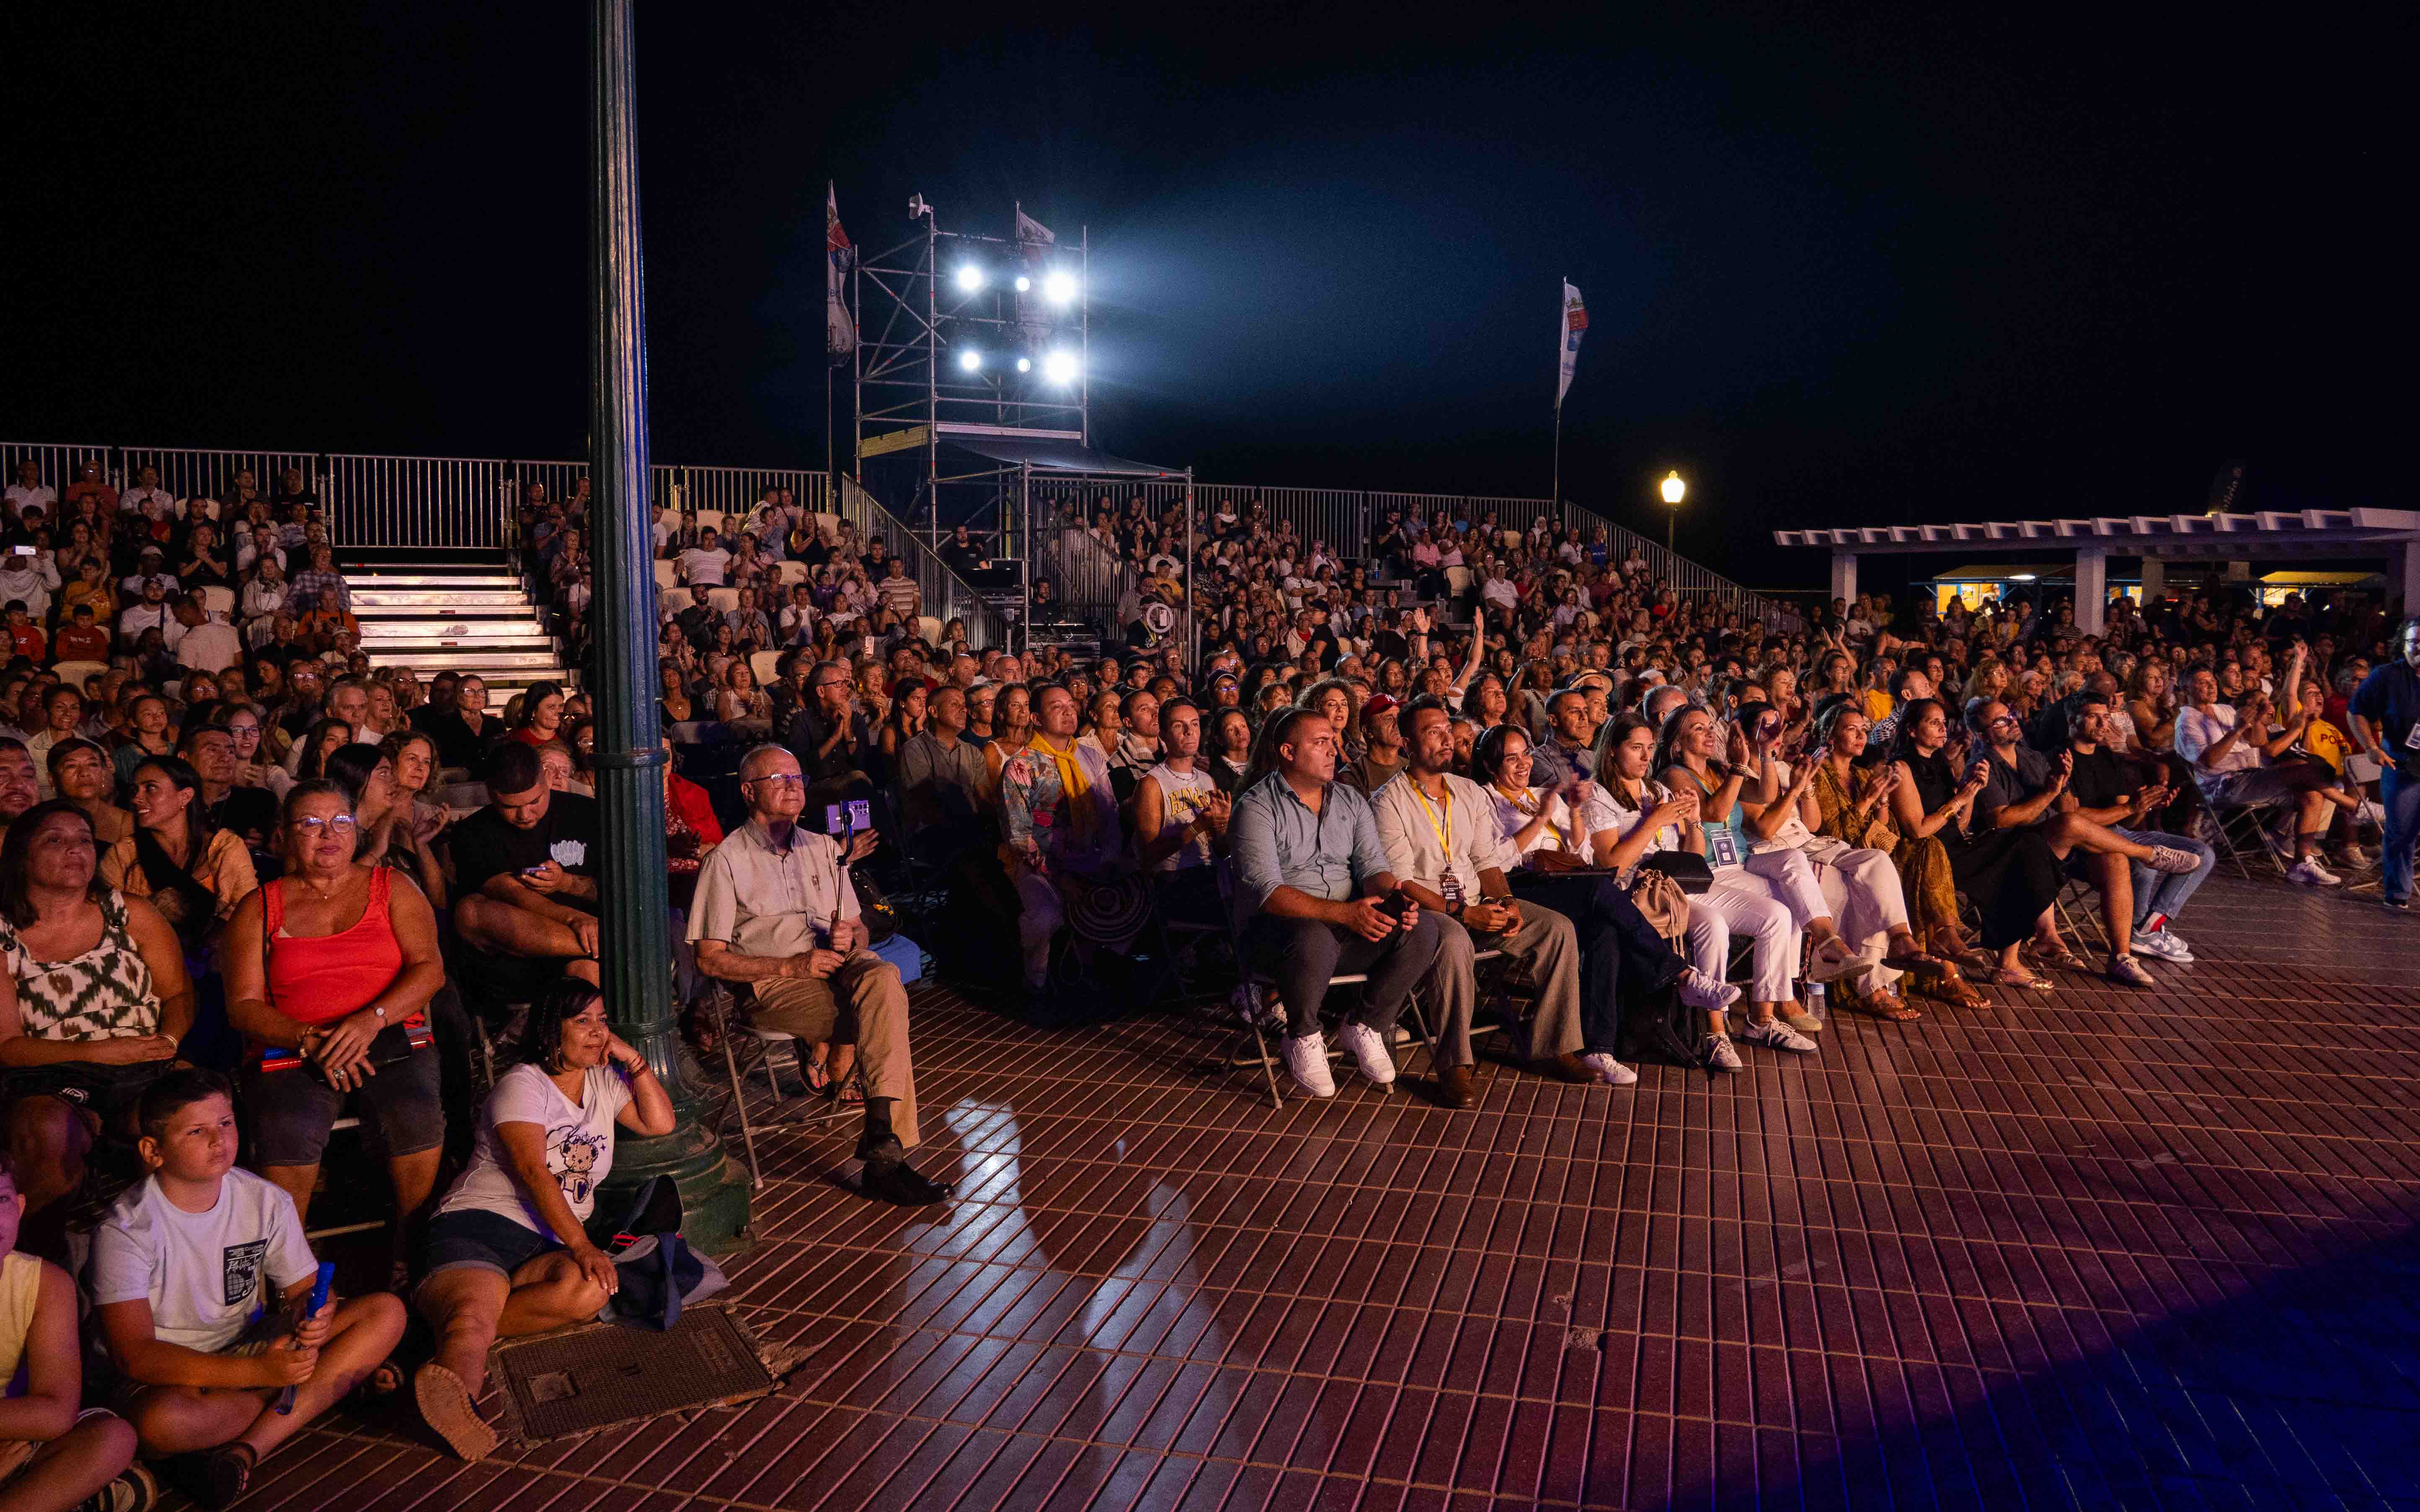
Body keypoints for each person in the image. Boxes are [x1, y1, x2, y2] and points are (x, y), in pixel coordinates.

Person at [89, 1069, 409, 1507]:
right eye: (197, 1131)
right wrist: (261, 1376)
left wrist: (313, 1315)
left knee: (385, 1312)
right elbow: (136, 1354)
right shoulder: (126, 1230)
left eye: (226, 1123)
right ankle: (313, 1391)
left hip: (244, 1346)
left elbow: (306, 1287)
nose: (219, 1140)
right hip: (172, 1373)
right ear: (153, 1151)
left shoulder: (264, 1200)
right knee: (158, 1424)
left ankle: (246, 1449)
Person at [411, 981, 676, 1462]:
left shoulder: (602, 1083)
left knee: (591, 1290)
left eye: (602, 1020)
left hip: (549, 1241)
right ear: (551, 1031)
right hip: (484, 1224)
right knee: (473, 1318)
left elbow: (660, 1124)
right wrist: (583, 1245)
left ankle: (429, 1338)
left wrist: (632, 1060)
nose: (598, 1032)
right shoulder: (523, 1084)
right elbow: (535, 1173)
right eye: (583, 1022)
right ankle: (460, 1407)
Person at [687, 745, 948, 1206]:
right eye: (778, 780)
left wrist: (853, 935)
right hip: (774, 981)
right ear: (749, 791)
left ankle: (883, 1138)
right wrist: (789, 966)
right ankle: (888, 1155)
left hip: (837, 965)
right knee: (882, 1012)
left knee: (882, 976)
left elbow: (861, 929)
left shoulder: (825, 848)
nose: (792, 787)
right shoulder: (725, 861)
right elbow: (709, 959)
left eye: (797, 778)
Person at [221, 781, 446, 1255]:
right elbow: (242, 1005)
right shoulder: (260, 905)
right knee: (287, 1121)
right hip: (295, 1045)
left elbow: (430, 970)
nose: (329, 834)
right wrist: (309, 1039)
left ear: (357, 830)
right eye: (310, 823)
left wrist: (369, 1021)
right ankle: (290, 1265)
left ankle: (414, 1249)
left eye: (340, 821)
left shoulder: (393, 888)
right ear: (285, 836)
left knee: (415, 1112)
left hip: (386, 1033)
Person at [1472, 720, 1736, 1075]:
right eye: (1511, 759)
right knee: (1603, 889)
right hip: (1517, 885)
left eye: (1526, 755)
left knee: (1607, 931)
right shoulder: (1482, 799)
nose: (1523, 764)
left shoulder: (1538, 793)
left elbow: (1578, 849)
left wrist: (1575, 811)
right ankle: (1682, 975)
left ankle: (1600, 1048)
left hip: (1566, 879)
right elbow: (1495, 861)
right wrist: (1540, 820)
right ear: (1491, 766)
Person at [1373, 697, 1595, 1106]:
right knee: (1454, 939)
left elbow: (1485, 860)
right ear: (1406, 744)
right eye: (1431, 732)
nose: (1445, 739)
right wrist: (1464, 911)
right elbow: (1401, 882)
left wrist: (1506, 901)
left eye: (1447, 729)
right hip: (1429, 911)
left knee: (1557, 928)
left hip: (1476, 898)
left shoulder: (1467, 791)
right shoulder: (1389, 801)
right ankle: (1454, 1063)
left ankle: (1557, 1045)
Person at [1229, 707, 1446, 1097]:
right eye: (1321, 743)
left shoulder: (1350, 800)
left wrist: (1395, 900)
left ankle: (1365, 1023)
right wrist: (1346, 914)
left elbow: (1373, 868)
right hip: (1277, 938)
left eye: (1334, 742)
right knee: (1313, 936)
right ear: (1288, 752)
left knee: (1422, 928)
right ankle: (1303, 1036)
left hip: (1344, 927)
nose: (1334, 750)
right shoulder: (1256, 806)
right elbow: (1267, 892)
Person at [0, 802, 194, 1229]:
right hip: (53, 1074)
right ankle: (43, 1267)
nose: (75, 850)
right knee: (49, 1132)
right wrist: (104, 1052)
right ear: (21, 855)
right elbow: (9, 1047)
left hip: (143, 1062)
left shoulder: (131, 912)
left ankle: (172, 1257)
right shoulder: (4, 934)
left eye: (85, 840)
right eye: (56, 840)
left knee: (187, 1113)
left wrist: (170, 1041)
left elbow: (178, 993)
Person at [1588, 715, 1806, 1071]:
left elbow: (1691, 855)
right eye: (1635, 748)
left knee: (1776, 915)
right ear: (1612, 752)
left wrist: (1692, 823)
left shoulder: (1657, 792)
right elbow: (1612, 863)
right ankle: (1715, 1030)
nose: (1645, 758)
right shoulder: (1600, 796)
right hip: (1637, 893)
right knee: (1713, 926)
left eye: (1648, 748)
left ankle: (1761, 1020)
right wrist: (1653, 823)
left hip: (1680, 885)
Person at [1805, 704, 1991, 1006]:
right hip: (1833, 861)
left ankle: (1944, 933)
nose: (1861, 735)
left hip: (1874, 857)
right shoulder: (1819, 775)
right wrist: (1867, 800)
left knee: (1931, 847)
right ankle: (1942, 968)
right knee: (1911, 859)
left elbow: (1885, 834)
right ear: (1829, 734)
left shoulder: (1864, 774)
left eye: (1864, 730)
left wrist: (1883, 803)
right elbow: (1834, 835)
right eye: (1851, 729)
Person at [1884, 699, 2066, 991]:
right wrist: (1958, 798)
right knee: (2016, 857)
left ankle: (2013, 958)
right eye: (1933, 722)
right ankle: (2015, 954)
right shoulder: (1901, 767)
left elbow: (1961, 824)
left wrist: (1971, 792)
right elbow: (1919, 831)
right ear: (1912, 730)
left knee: (2027, 844)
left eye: (1944, 721)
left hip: (1955, 847)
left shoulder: (1941, 762)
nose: (1943, 727)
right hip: (1928, 857)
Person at [0, 1151, 144, 1512]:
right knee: (130, 1487)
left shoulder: (44, 1284)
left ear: (19, 1207)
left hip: (9, 1433)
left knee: (113, 1438)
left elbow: (56, 1411)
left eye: (0, 1200)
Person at [2059, 693, 2217, 966]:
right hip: (2083, 846)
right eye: (2094, 716)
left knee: (2204, 854)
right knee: (2144, 866)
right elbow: (2070, 819)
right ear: (2073, 721)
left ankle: (2147, 929)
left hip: (2122, 833)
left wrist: (2147, 806)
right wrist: (2131, 809)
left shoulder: (2108, 758)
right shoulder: (2061, 758)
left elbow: (2128, 819)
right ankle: (2140, 931)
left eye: (2106, 717)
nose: (2102, 723)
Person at [447, 744, 602, 1005]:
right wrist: (574, 918)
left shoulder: (587, 813)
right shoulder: (474, 831)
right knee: (469, 910)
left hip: (588, 942)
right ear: (491, 794)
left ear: (545, 779)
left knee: (584, 970)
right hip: (519, 946)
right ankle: (615, 947)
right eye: (509, 807)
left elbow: (615, 886)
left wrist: (567, 883)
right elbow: (510, 892)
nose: (524, 815)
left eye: (535, 801)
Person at [2176, 662, 2347, 885]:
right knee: (2306, 771)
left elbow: (2258, 743)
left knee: (2312, 794)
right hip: (2223, 786)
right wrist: (2237, 730)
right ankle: (2355, 808)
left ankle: (2302, 862)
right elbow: (2208, 761)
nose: (2211, 686)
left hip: (2252, 777)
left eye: (2212, 681)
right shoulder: (2187, 722)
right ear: (2187, 688)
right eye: (2202, 683)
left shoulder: (2226, 710)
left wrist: (2255, 720)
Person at [995, 685, 1120, 988]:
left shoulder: (1090, 757)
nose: (1068, 711)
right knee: (1046, 916)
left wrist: (1111, 858)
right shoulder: (1021, 766)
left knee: (1126, 898)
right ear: (1036, 719)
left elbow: (1110, 814)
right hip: (1038, 867)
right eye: (1056, 707)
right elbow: (1021, 836)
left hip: (1089, 856)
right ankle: (1035, 982)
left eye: (1070, 704)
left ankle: (1097, 976)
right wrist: (1060, 877)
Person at [102, 756, 258, 959]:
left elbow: (249, 911)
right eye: (135, 790)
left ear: (185, 797)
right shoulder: (123, 854)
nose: (136, 799)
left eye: (150, 788)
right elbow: (105, 920)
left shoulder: (225, 847)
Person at [1132, 697, 1229, 925]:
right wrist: (1197, 827)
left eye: (1195, 724)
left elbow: (1222, 849)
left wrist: (1222, 825)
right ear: (1163, 735)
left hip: (1211, 872)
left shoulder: (1207, 780)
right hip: (1175, 880)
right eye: (1179, 726)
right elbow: (1149, 856)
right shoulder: (1152, 784)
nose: (1189, 732)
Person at [2349, 619, 2420, 911]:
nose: (2419, 647)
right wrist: (2371, 747)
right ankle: (2397, 894)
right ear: (2402, 644)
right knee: (2402, 832)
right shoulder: (2387, 676)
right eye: (2413, 642)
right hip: (2402, 765)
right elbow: (2358, 712)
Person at [895, 684, 989, 863]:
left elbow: (983, 797)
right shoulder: (915, 750)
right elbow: (925, 804)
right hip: (932, 833)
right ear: (934, 711)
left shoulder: (972, 752)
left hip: (970, 829)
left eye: (964, 705)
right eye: (955, 705)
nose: (963, 710)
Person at [44, 738, 134, 849]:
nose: (85, 773)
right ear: (52, 779)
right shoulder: (42, 821)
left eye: (93, 765)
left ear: (104, 774)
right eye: (71, 766)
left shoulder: (125, 822)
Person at [1337, 694, 1404, 796]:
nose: (1398, 725)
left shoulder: (1412, 767)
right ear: (1368, 731)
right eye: (1388, 719)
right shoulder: (1352, 775)